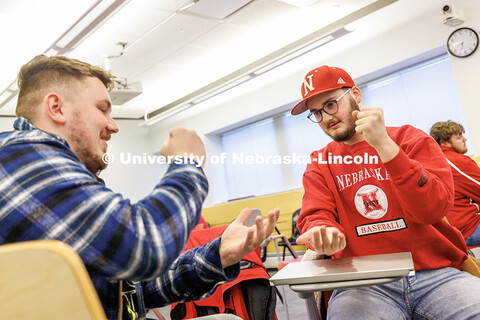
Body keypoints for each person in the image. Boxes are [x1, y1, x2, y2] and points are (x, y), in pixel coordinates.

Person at [0, 55, 279, 320]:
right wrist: (188, 164)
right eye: (102, 109)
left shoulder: (49, 178)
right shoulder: (17, 158)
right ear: (57, 108)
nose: (113, 126)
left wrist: (217, 255)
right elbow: (146, 246)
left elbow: (133, 289)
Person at [290, 65, 480, 319]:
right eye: (316, 112)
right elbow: (316, 214)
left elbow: (434, 209)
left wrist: (385, 147)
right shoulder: (320, 162)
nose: (325, 118)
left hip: (435, 273)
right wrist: (321, 229)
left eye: (331, 104)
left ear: (355, 95)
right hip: (361, 283)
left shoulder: (410, 139)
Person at [430, 120, 480, 246]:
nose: (465, 139)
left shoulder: (431, 160)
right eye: (458, 137)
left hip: (448, 233)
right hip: (468, 230)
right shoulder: (455, 161)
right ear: (445, 143)